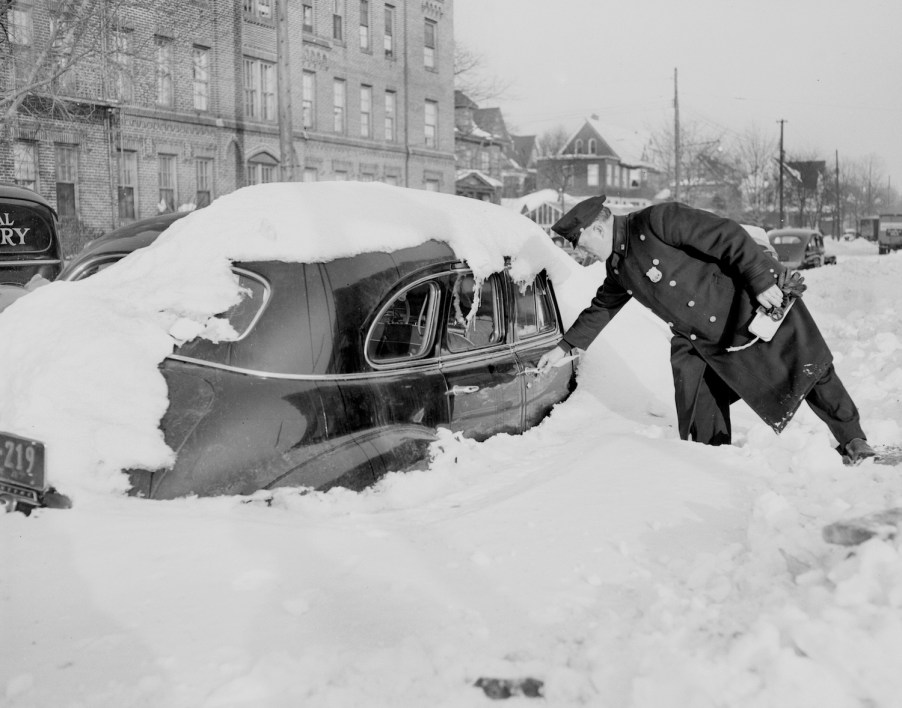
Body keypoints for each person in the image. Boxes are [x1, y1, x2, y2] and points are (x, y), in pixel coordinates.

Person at [537, 195, 875, 464]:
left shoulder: (658, 221)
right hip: (699, 339)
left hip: (746, 306)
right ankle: (712, 459)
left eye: (580, 243)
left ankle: (853, 438)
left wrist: (759, 281)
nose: (581, 252)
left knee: (806, 365)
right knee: (693, 388)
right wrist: (565, 347)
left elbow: (727, 235)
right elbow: (603, 307)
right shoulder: (618, 267)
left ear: (598, 229)